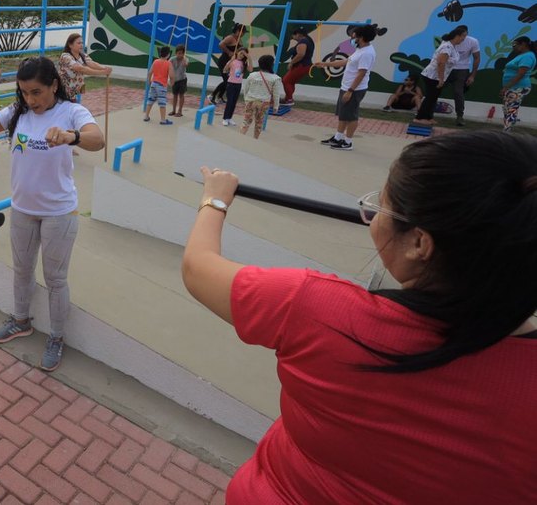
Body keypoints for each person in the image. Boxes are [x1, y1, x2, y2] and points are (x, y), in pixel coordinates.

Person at [181, 130, 537, 504]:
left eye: (382, 207)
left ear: (420, 243)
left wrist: (214, 199)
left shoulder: (316, 309)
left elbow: (198, 267)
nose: (373, 219)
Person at [0, 57, 104, 371]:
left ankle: (56, 337)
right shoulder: (19, 112)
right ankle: (20, 320)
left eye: (37, 92)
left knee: (55, 279)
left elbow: (98, 139)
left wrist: (72, 137)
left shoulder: (71, 112)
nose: (30, 99)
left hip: (60, 212)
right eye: (25, 92)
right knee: (21, 270)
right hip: (24, 210)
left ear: (54, 85)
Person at [313, 24, 377, 151]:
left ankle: (348, 142)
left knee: (351, 116)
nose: (353, 39)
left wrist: (350, 91)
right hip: (346, 87)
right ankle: (338, 137)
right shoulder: (360, 49)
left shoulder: (367, 53)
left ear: (362, 37)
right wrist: (326, 64)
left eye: (355, 36)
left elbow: (361, 73)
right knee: (343, 115)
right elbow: (347, 61)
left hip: (354, 90)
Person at [412, 28, 465, 126]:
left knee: (433, 97)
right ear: (457, 36)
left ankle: (428, 117)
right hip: (433, 76)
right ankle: (419, 118)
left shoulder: (452, 46)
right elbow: (441, 63)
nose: (463, 39)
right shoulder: (447, 47)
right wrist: (440, 79)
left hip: (439, 77)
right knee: (430, 97)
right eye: (463, 36)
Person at [57, 33, 112, 102]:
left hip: (72, 92)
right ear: (70, 45)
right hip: (62, 92)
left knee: (73, 108)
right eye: (79, 43)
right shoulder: (65, 56)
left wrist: (104, 68)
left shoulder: (82, 55)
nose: (81, 45)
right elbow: (80, 68)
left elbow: (92, 63)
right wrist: (101, 72)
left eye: (82, 43)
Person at [238, 55, 283, 139]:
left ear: (259, 64)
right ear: (271, 64)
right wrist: (276, 106)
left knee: (246, 121)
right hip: (264, 103)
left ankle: (240, 138)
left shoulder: (252, 75)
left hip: (250, 100)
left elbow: (246, 89)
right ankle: (255, 140)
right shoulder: (275, 78)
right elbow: (276, 94)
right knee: (259, 123)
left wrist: (246, 100)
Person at [448, 25, 481, 125]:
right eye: (460, 35)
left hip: (462, 69)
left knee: (458, 92)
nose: (462, 38)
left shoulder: (473, 41)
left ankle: (459, 116)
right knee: (435, 89)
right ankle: (427, 114)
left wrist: (472, 75)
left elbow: (477, 58)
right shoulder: (449, 40)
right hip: (447, 68)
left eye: (464, 35)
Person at [501, 36, 535, 132]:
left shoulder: (527, 56)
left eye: (515, 44)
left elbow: (521, 73)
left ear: (523, 44)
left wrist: (507, 86)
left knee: (511, 109)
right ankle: (509, 127)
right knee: (507, 108)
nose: (513, 47)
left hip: (519, 87)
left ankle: (506, 132)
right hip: (512, 87)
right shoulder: (522, 55)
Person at [210, 23, 246, 104]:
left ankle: (219, 97)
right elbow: (221, 44)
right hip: (224, 61)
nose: (243, 34)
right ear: (238, 31)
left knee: (229, 81)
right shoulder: (231, 37)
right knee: (227, 81)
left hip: (232, 63)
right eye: (242, 32)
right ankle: (212, 95)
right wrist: (229, 52)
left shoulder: (239, 39)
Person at [280, 28, 315, 106]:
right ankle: (287, 98)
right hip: (305, 65)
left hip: (301, 66)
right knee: (291, 82)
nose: (293, 38)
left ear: (298, 34)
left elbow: (301, 54)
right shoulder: (309, 41)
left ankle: (289, 100)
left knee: (286, 81)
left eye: (293, 36)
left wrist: (291, 63)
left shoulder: (303, 41)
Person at [143, 45, 173, 124]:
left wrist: (149, 81)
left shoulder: (156, 61)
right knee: (162, 102)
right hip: (161, 85)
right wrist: (171, 82)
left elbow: (150, 72)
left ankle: (146, 116)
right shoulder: (168, 63)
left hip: (154, 83)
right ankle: (163, 120)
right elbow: (172, 76)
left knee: (150, 100)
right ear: (168, 54)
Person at [221, 47, 250, 127]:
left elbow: (250, 69)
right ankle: (225, 118)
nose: (241, 55)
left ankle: (229, 118)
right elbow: (224, 70)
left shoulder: (244, 63)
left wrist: (249, 57)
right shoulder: (233, 61)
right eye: (241, 53)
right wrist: (231, 60)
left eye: (243, 54)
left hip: (238, 84)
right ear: (237, 52)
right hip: (231, 83)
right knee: (230, 101)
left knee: (234, 102)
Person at [169, 45, 189, 118]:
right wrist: (171, 79)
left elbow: (186, 65)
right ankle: (173, 110)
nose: (179, 55)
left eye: (181, 53)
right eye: (178, 53)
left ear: (183, 53)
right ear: (175, 53)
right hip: (175, 79)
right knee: (174, 95)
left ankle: (180, 111)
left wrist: (184, 61)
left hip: (182, 79)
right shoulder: (172, 59)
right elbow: (168, 67)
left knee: (181, 95)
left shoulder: (185, 59)